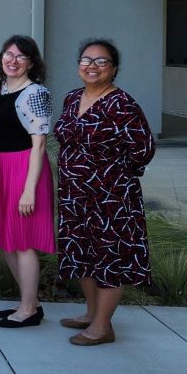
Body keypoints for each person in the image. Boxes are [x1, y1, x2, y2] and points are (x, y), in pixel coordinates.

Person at [54, 39, 155, 346]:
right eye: (86, 60)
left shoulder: (122, 104)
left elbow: (144, 148)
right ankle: (91, 313)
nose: (92, 66)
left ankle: (102, 327)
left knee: (110, 257)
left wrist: (114, 173)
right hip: (74, 194)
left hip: (111, 197)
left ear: (113, 68)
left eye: (101, 61)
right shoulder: (72, 98)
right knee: (82, 253)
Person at [0, 35, 55, 328]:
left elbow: (39, 145)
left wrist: (28, 190)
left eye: (20, 56)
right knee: (6, 240)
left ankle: (28, 310)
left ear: (31, 63)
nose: (12, 60)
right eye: (8, 54)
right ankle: (29, 301)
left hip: (24, 167)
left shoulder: (36, 93)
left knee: (23, 241)